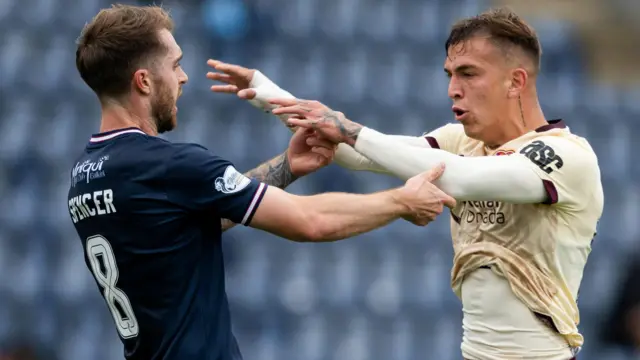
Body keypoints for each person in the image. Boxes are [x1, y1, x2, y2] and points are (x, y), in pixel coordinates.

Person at [207, 8, 603, 360]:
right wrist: (268, 93)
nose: (453, 89)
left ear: (516, 81)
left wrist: (346, 126)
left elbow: (459, 177)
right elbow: (358, 153)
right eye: (449, 75)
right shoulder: (460, 141)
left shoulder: (564, 156)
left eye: (468, 73)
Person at [69, 4, 456, 360]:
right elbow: (309, 221)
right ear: (144, 81)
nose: (184, 77)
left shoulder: (85, 176)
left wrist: (286, 166)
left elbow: (186, 223)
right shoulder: (168, 164)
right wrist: (401, 201)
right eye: (175, 65)